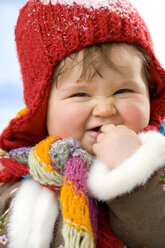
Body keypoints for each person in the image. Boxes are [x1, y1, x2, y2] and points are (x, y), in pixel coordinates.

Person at [0, 0, 165, 247]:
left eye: (123, 90)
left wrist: (133, 169)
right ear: (41, 108)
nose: (105, 109)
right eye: (80, 94)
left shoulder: (158, 163)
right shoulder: (12, 174)